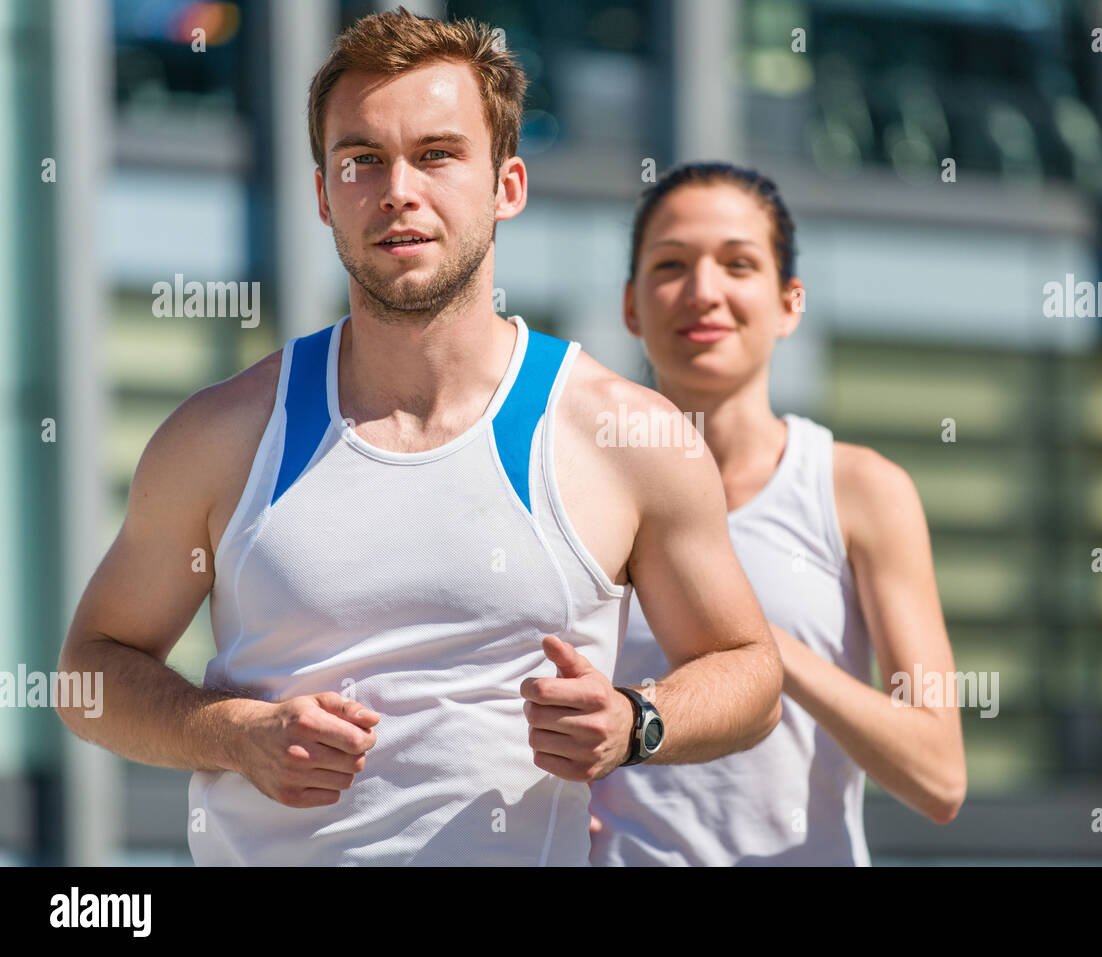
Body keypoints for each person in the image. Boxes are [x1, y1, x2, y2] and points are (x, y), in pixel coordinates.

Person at [54, 12, 783, 866]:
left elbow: (750, 672)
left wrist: (637, 721)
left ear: (507, 184)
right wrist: (235, 733)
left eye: (437, 154)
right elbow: (88, 673)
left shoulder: (624, 435)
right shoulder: (224, 434)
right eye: (361, 160)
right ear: (324, 195)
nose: (398, 188)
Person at [588, 163, 967, 866]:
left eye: (738, 263)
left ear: (790, 301)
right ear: (632, 307)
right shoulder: (583, 489)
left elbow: (940, 773)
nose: (704, 291)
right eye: (671, 264)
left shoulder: (859, 489)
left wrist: (756, 650)